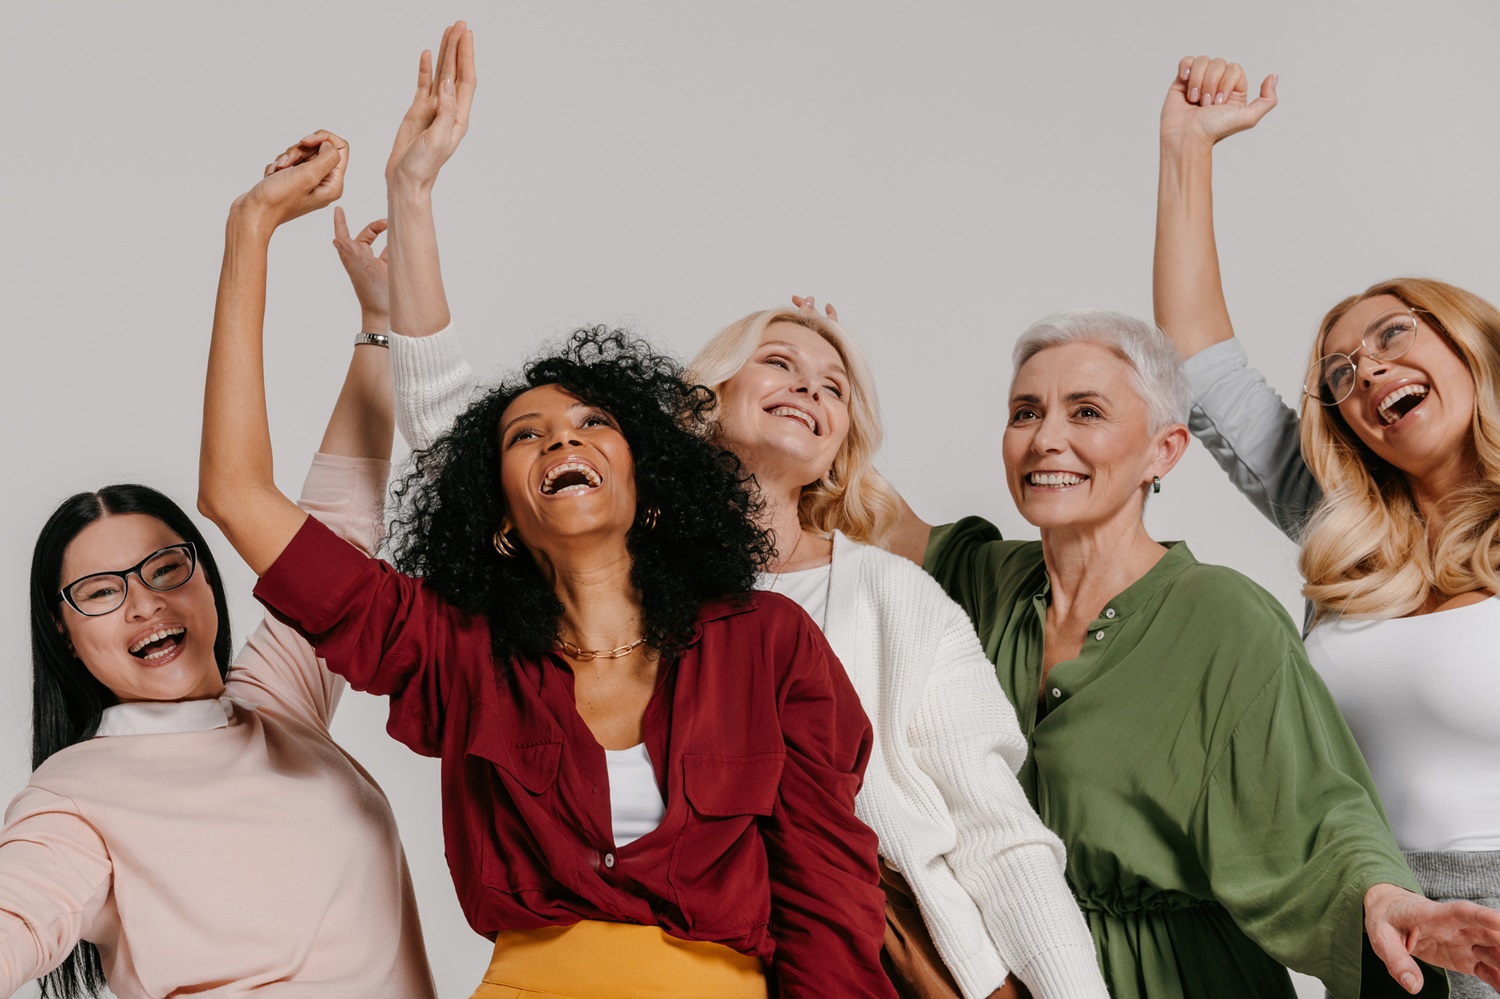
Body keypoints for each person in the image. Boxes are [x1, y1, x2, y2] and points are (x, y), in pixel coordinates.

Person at [196, 24, 893, 999]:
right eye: (526, 436)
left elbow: (832, 906)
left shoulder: (769, 647)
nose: (561, 439)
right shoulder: (457, 654)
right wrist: (250, 229)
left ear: (654, 488)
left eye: (593, 424)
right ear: (497, 515)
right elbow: (235, 494)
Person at [388, 296, 1112, 998]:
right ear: (704, 400)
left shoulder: (896, 600)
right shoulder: (606, 582)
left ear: (839, 447)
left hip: (885, 966)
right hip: (685, 967)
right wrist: (411, 202)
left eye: (834, 387)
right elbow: (471, 450)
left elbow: (1000, 835)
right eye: (779, 362)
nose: (808, 386)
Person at [896, 306, 1500, 997]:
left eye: (1086, 412)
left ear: (1165, 450)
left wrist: (1384, 899)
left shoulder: (1226, 618)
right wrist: (810, 379)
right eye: (1025, 412)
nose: (1047, 439)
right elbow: (849, 507)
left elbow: (1319, 811)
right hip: (1009, 974)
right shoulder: (986, 581)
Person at [0, 145, 435, 996]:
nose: (142, 605)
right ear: (65, 628)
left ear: (205, 578)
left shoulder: (280, 700)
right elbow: (19, 919)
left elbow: (339, 523)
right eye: (99, 590)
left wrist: (379, 323)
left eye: (164, 566)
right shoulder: (74, 796)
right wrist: (250, 228)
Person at [1152, 54, 1500, 998]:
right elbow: (1201, 367)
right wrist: (1185, 148)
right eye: (1341, 373)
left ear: (1464, 341)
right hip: (1387, 934)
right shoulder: (1339, 525)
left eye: (1394, 335)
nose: (1368, 370)